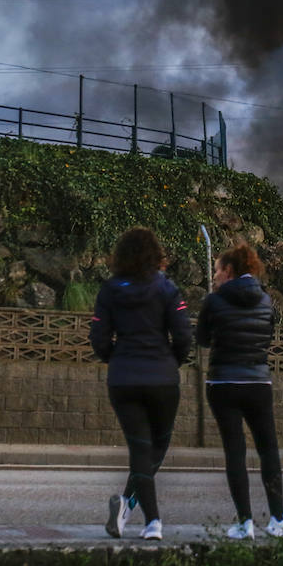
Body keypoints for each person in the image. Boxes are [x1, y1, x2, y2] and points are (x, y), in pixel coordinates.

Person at [196, 243, 283, 540]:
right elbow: (267, 337)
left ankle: (244, 523)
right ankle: (278, 519)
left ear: (229, 271)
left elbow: (203, 340)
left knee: (235, 452)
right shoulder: (265, 301)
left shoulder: (214, 301)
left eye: (218, 269)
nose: (215, 275)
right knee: (268, 451)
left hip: (223, 384)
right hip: (258, 383)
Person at [90, 227, 192, 540]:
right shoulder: (167, 289)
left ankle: (131, 511)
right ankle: (152, 521)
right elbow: (185, 336)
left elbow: (98, 338)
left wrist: (114, 359)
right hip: (162, 378)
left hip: (123, 379)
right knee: (157, 446)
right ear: (155, 254)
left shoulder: (109, 290)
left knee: (139, 449)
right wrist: (172, 361)